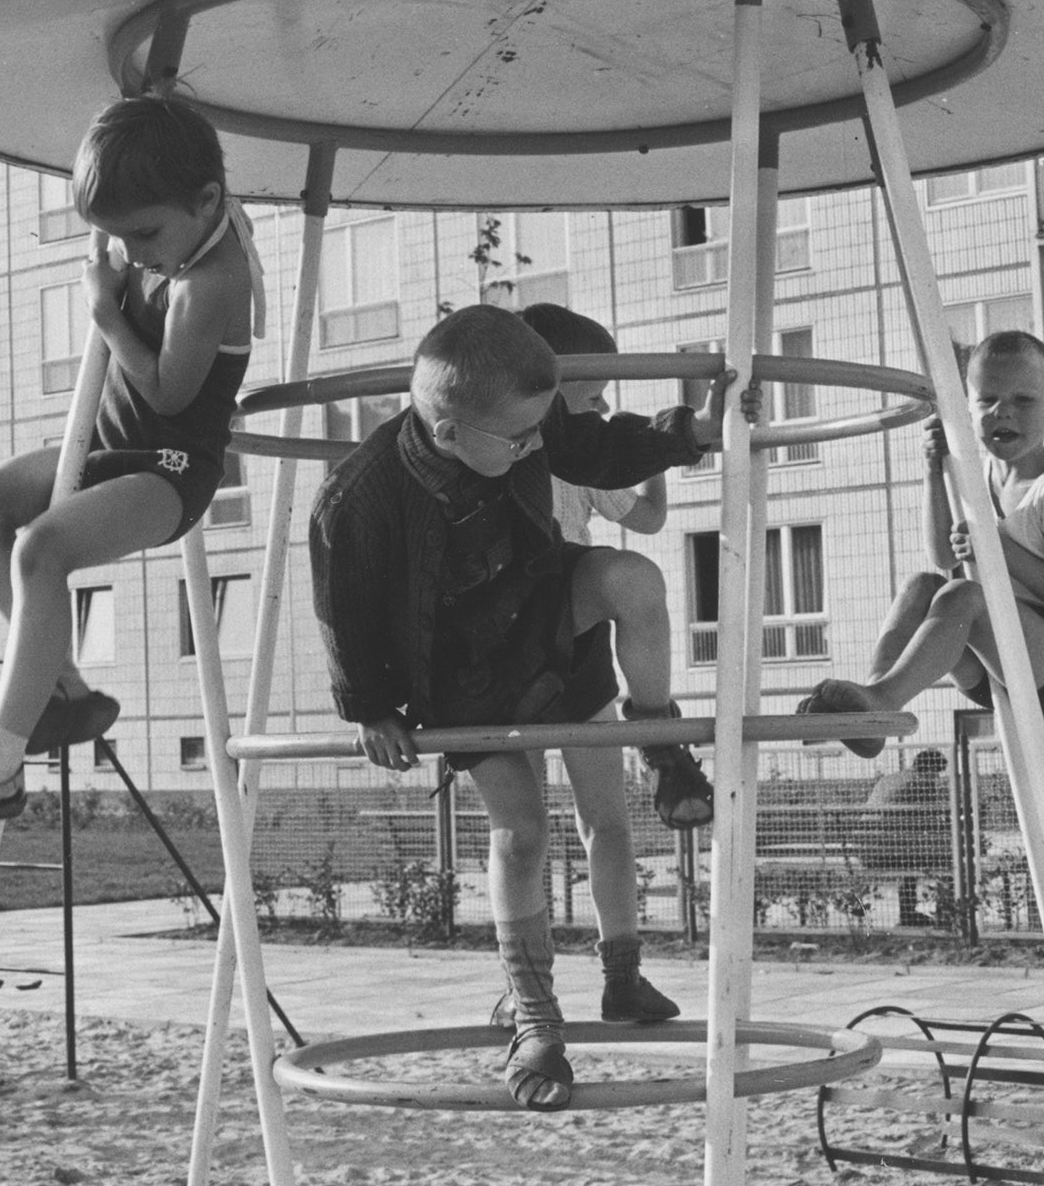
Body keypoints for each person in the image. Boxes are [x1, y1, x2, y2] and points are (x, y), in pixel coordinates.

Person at [310, 304, 751, 1110]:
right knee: (522, 830)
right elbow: (346, 606)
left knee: (634, 579)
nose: (530, 449)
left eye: (534, 434)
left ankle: (661, 744)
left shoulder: (522, 431)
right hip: (458, 668)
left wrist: (690, 433)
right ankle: (538, 1019)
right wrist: (370, 706)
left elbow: (597, 447)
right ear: (446, 431)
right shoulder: (360, 497)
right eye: (515, 442)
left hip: (541, 614)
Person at [0, 93, 263, 827]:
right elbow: (150, 151)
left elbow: (169, 394)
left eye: (143, 235)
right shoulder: (174, 225)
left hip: (171, 468)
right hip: (115, 442)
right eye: (118, 237)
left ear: (209, 200)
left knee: (41, 549)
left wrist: (108, 313)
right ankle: (63, 692)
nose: (134, 253)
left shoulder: (213, 282)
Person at [798, 330, 1044, 757]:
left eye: (1023, 401)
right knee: (923, 585)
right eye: (987, 400)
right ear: (969, 408)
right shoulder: (972, 477)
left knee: (964, 595)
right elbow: (942, 555)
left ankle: (884, 698)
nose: (1003, 412)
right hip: (991, 650)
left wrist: (998, 549)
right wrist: (934, 471)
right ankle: (876, 698)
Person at [518, 303, 701, 828]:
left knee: (604, 818)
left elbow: (648, 518)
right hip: (511, 623)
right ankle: (656, 734)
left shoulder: (588, 457)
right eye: (593, 395)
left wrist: (655, 458)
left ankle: (656, 734)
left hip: (571, 612)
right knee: (521, 827)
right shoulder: (502, 450)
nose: (603, 407)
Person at [859, 747, 952, 926]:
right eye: (936, 772)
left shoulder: (892, 779)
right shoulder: (920, 784)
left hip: (868, 848)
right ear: (929, 769)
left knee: (912, 859)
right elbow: (929, 823)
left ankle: (909, 914)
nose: (937, 778)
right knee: (950, 861)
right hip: (886, 850)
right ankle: (946, 912)